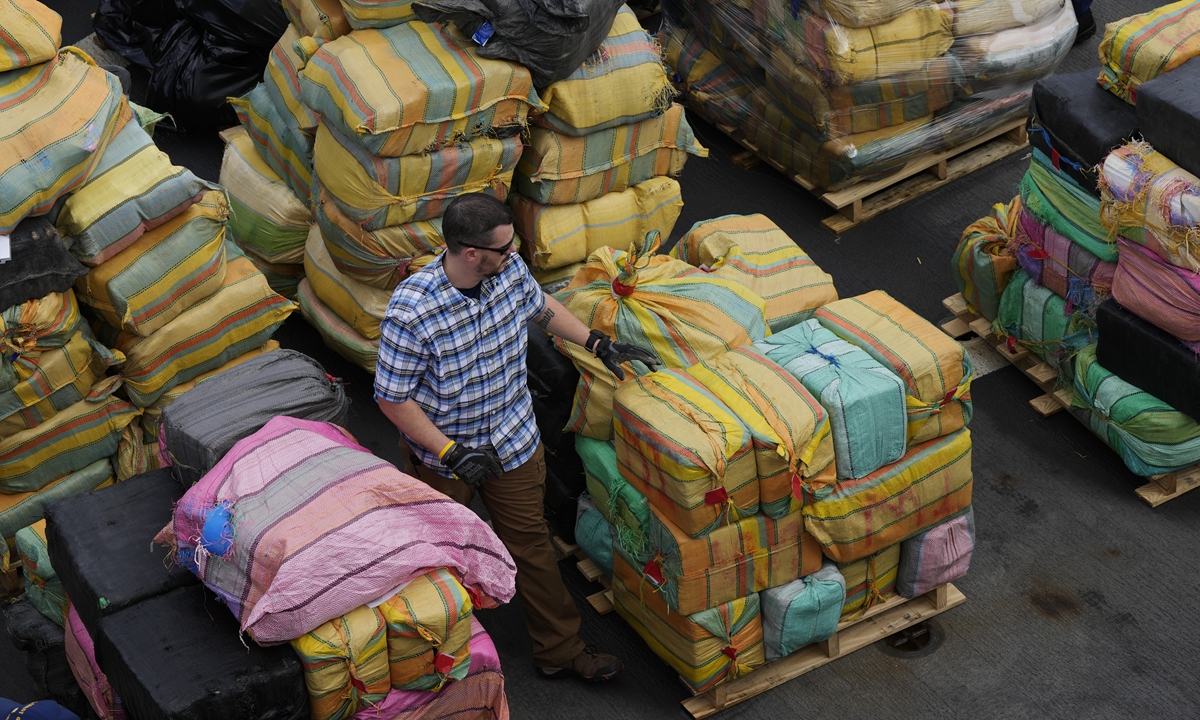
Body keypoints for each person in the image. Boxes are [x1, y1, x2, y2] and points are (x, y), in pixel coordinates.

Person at [374, 193, 661, 682]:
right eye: (505, 249)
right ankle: (431, 659)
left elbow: (540, 306)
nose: (514, 256)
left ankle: (561, 650)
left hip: (513, 441)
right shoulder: (412, 312)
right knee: (436, 555)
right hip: (446, 457)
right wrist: (450, 451)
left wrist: (596, 342)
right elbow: (390, 397)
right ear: (470, 253)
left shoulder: (506, 271)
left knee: (531, 547)